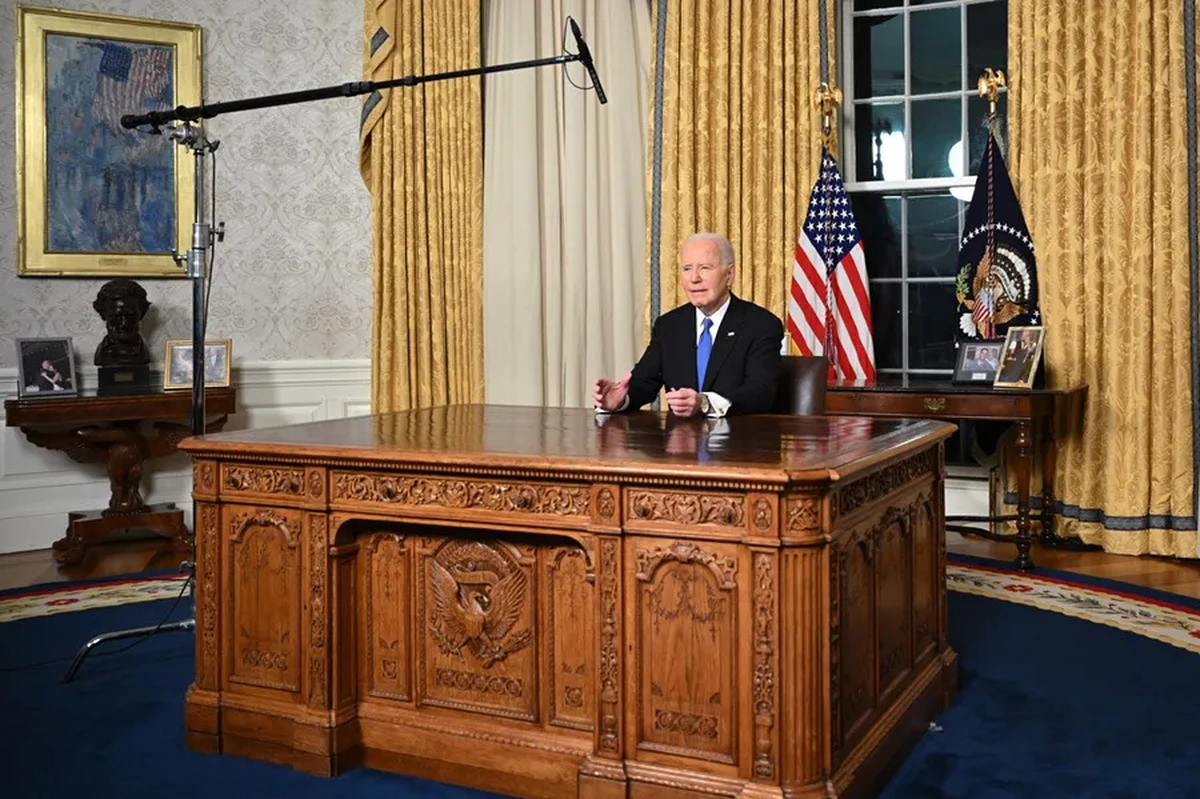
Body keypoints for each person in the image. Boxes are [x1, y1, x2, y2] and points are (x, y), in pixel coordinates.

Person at [593, 233, 784, 418]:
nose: (694, 278)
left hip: (738, 442)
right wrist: (619, 400)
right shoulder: (669, 326)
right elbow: (644, 382)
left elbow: (761, 392)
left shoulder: (761, 325)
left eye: (705, 268)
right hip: (681, 443)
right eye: (687, 269)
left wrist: (705, 403)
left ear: (729, 274)